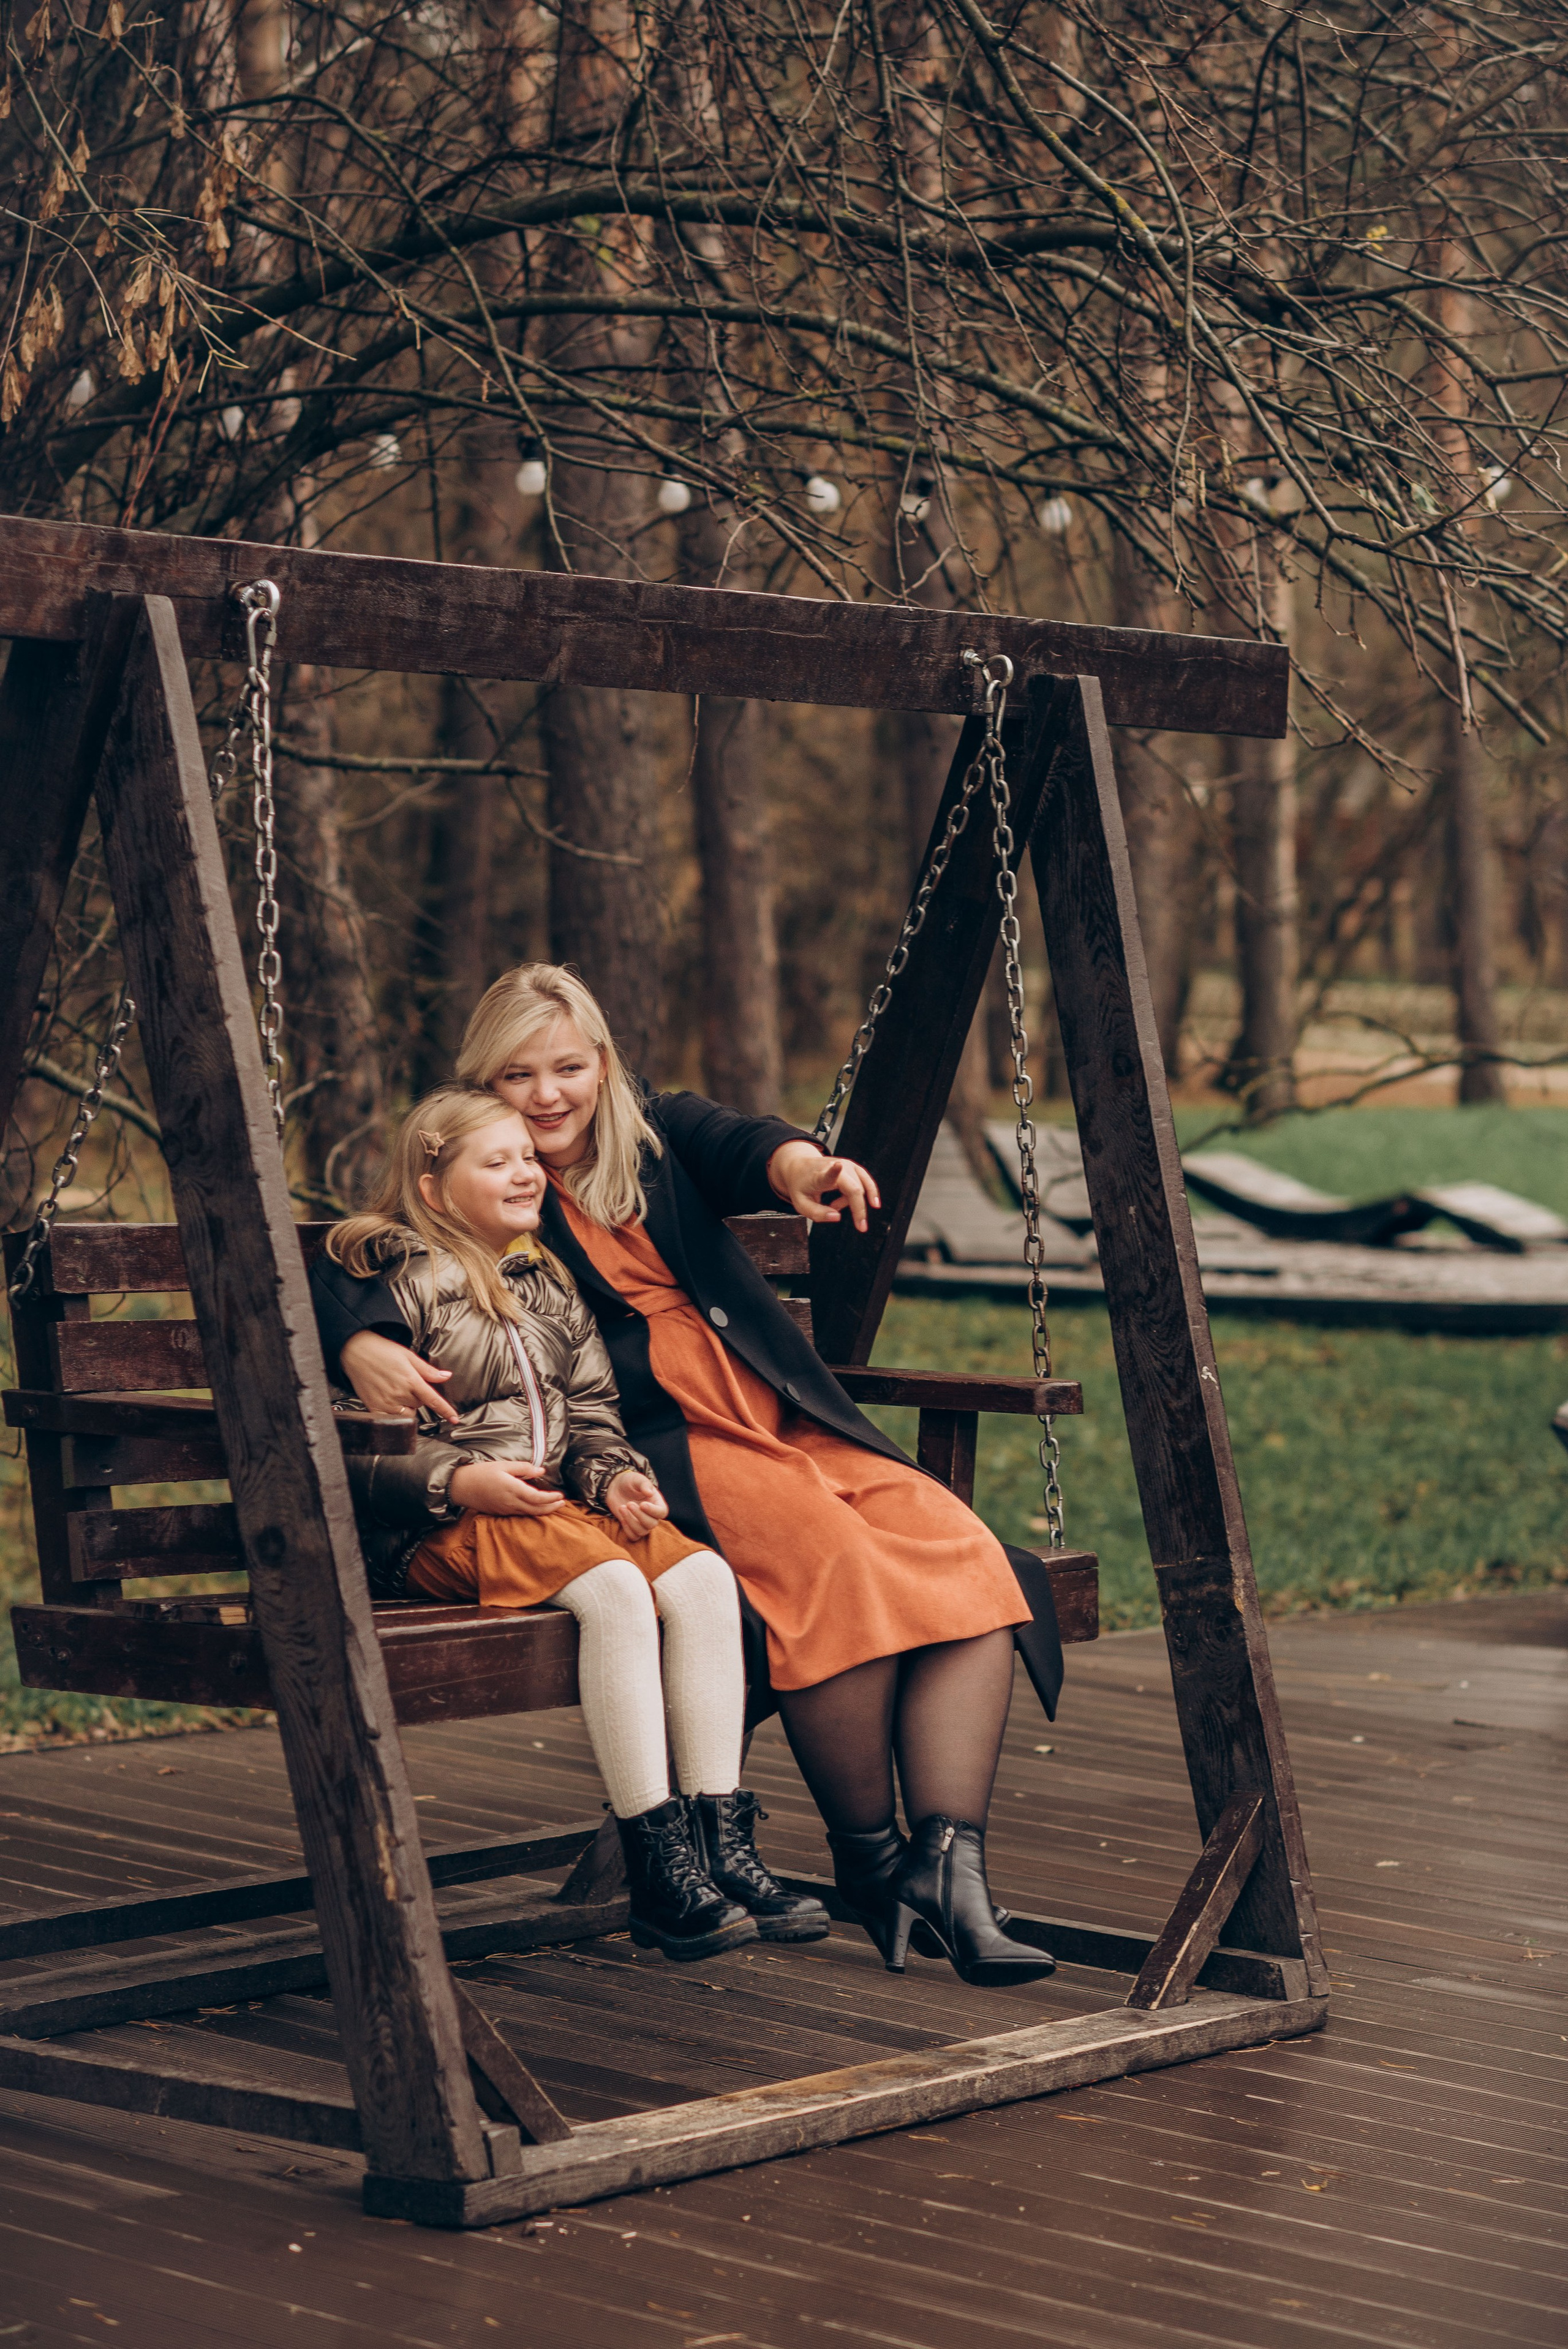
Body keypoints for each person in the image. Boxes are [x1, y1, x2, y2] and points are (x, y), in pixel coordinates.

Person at [313, 967, 1058, 1989]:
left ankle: (948, 1867)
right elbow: (374, 1245)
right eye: (518, 1075)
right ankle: (872, 1860)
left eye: (568, 1067)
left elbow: (742, 1143)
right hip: (662, 1438)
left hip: (776, 1410)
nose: (547, 1096)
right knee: (832, 1560)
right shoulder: (495, 1172)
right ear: (485, 1084)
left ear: (603, 1063)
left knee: (968, 1552)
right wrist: (358, 1340)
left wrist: (802, 1165)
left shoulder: (651, 1136)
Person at [318, 1082, 829, 1962]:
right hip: (435, 1527)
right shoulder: (391, 1279)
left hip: (554, 1508)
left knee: (702, 1578)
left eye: (528, 1156)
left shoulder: (544, 1279)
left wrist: (615, 1475)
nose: (526, 1172)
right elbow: (342, 1436)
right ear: (435, 1188)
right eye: (498, 1161)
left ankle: (721, 1846)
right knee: (617, 1590)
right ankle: (658, 1865)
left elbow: (589, 1412)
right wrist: (460, 1479)